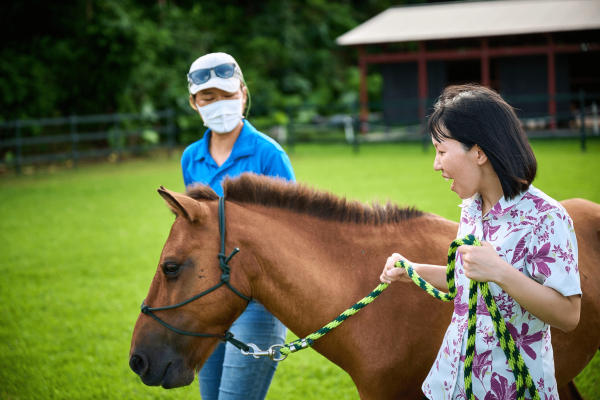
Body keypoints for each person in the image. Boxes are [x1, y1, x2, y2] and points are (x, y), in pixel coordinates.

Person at [380, 85, 581, 400]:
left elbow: (569, 315)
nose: (436, 164)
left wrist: (500, 271)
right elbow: (470, 282)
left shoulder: (547, 218)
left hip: (512, 388)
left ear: (480, 151)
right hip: (451, 383)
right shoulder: (473, 208)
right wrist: (413, 271)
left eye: (441, 151)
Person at [181, 52, 295, 400]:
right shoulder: (190, 158)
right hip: (208, 298)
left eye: (228, 95)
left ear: (244, 94)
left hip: (258, 300)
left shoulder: (268, 154)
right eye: (208, 98)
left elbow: (292, 231)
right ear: (194, 103)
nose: (220, 105)